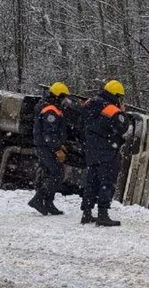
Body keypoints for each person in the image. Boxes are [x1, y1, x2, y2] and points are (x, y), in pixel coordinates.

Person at [81, 80, 130, 226]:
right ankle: (103, 214)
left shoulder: (89, 103)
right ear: (116, 95)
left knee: (91, 182)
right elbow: (123, 127)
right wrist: (123, 112)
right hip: (107, 151)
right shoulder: (112, 109)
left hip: (91, 150)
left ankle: (86, 214)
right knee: (107, 183)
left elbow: (80, 123)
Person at [29, 81, 70, 216]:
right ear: (58, 96)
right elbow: (49, 133)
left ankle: (48, 203)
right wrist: (57, 148)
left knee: (48, 173)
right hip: (47, 147)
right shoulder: (51, 110)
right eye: (63, 97)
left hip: (46, 145)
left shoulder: (49, 107)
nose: (65, 100)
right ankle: (38, 199)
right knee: (57, 173)